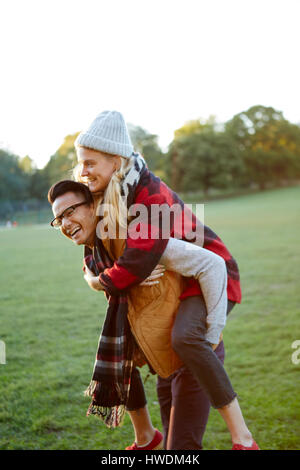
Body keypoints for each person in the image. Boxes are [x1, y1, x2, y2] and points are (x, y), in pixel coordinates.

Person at [69, 110, 259, 450]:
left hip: (210, 276)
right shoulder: (111, 194)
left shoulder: (150, 193)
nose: (83, 171)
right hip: (177, 280)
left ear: (116, 160)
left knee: (187, 337)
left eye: (90, 162)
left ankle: (243, 438)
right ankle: (147, 436)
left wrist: (98, 282)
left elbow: (136, 262)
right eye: (80, 162)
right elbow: (101, 250)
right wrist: (96, 270)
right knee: (124, 345)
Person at [48, 180, 231, 450]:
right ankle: (146, 436)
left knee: (182, 448)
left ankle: (242, 438)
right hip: (164, 361)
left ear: (94, 206)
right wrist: (100, 279)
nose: (64, 223)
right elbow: (124, 311)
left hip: (192, 357)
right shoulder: (97, 258)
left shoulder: (138, 242)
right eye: (58, 219)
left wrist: (131, 270)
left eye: (70, 211)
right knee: (175, 444)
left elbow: (212, 264)